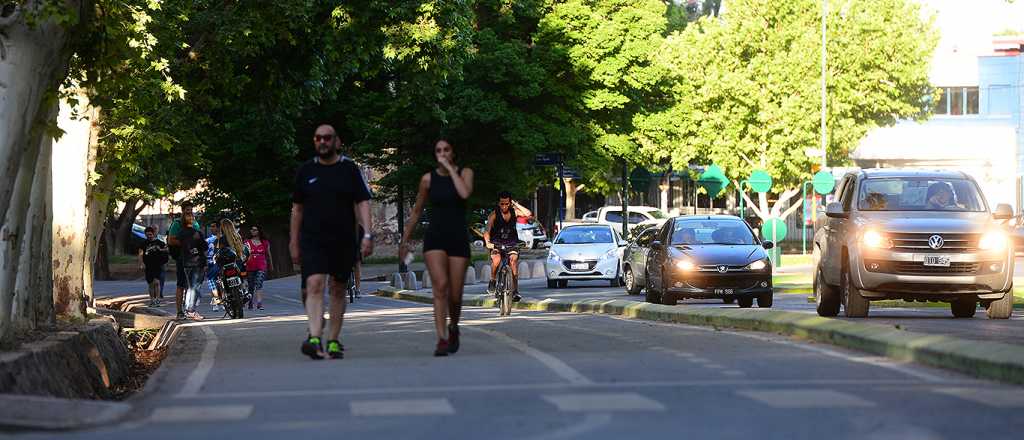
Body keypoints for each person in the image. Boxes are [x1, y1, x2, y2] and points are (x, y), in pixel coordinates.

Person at [290, 124, 373, 360]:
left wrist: (368, 234)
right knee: (314, 284)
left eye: (327, 138)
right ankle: (315, 338)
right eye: (318, 138)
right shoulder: (306, 170)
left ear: (336, 141)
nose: (323, 142)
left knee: (338, 288)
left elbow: (363, 202)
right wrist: (293, 241)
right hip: (313, 239)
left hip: (343, 239)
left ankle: (333, 340)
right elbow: (297, 209)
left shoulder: (349, 169)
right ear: (314, 141)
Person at [400, 139, 475, 357]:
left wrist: (450, 169)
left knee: (456, 295)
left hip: (458, 238)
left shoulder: (465, 173)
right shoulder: (427, 179)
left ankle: (454, 327)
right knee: (440, 287)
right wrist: (405, 239)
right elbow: (417, 211)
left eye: (446, 150)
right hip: (435, 238)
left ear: (453, 152)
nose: (442, 153)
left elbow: (464, 193)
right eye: (438, 150)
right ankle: (441, 338)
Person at [167, 202, 202, 320]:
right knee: (181, 284)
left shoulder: (195, 223)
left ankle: (190, 310)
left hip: (194, 258)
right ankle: (179, 312)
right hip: (182, 258)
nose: (189, 211)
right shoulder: (177, 223)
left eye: (191, 209)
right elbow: (171, 240)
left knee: (193, 286)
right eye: (187, 209)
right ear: (182, 210)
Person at [484, 191, 522, 302]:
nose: (504, 206)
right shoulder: (494, 214)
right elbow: (487, 230)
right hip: (496, 243)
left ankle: (515, 291)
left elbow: (528, 213)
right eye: (502, 204)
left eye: (506, 203)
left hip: (512, 243)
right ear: (498, 203)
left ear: (510, 203)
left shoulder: (515, 212)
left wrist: (516, 204)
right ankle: (492, 280)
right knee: (496, 260)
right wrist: (487, 242)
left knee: (513, 261)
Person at [176, 210, 208, 320]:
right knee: (195, 287)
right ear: (193, 220)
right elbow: (204, 247)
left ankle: (188, 309)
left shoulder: (180, 234)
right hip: (197, 262)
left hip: (186, 262)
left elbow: (180, 245)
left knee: (190, 287)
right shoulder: (197, 233)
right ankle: (191, 310)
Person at [138, 227, 169, 307]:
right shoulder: (143, 243)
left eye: (150, 234)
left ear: (153, 234)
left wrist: (160, 250)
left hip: (158, 265)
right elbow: (140, 254)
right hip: (148, 266)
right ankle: (152, 299)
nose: (149, 236)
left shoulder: (160, 242)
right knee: (151, 284)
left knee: (157, 282)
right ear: (145, 235)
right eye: (147, 235)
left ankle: (157, 299)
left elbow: (167, 250)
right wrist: (141, 263)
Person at [245, 225, 273, 310]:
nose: (253, 231)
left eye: (255, 230)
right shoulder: (247, 242)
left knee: (259, 283)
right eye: (252, 230)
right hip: (250, 266)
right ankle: (250, 302)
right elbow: (243, 254)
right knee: (251, 285)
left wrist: (271, 265)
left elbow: (268, 254)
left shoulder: (264, 242)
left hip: (261, 266)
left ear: (259, 231)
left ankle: (259, 303)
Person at [205, 221, 223, 313]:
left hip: (220, 262)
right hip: (211, 263)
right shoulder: (208, 240)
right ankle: (216, 301)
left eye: (214, 226)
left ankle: (221, 301)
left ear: (219, 228)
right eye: (211, 226)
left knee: (220, 282)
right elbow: (204, 252)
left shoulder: (223, 238)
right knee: (213, 283)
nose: (211, 228)